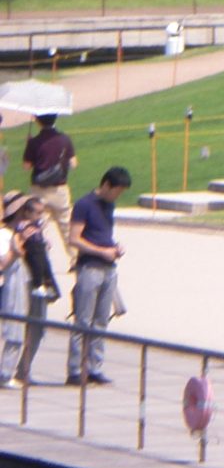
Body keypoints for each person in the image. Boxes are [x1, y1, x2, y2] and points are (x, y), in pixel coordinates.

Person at [67, 166, 131, 386]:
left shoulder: (109, 205)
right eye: (117, 191)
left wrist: (113, 247)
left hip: (108, 268)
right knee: (83, 320)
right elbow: (74, 238)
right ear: (106, 185)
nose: (118, 195)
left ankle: (95, 367)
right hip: (89, 268)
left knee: (101, 321)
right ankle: (75, 369)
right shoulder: (84, 205)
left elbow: (103, 234)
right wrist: (100, 251)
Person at [0, 192, 56, 388]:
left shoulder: (33, 231)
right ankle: (5, 373)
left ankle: (23, 371)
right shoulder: (5, 234)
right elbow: (2, 265)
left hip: (35, 282)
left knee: (37, 328)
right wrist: (19, 245)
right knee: (16, 329)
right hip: (17, 283)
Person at [23, 113, 75, 236]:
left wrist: (28, 144)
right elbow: (73, 163)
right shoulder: (65, 138)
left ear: (37, 121)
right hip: (59, 189)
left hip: (39, 190)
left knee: (35, 228)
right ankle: (75, 255)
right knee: (67, 230)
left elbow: (26, 166)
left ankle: (37, 253)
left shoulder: (34, 142)